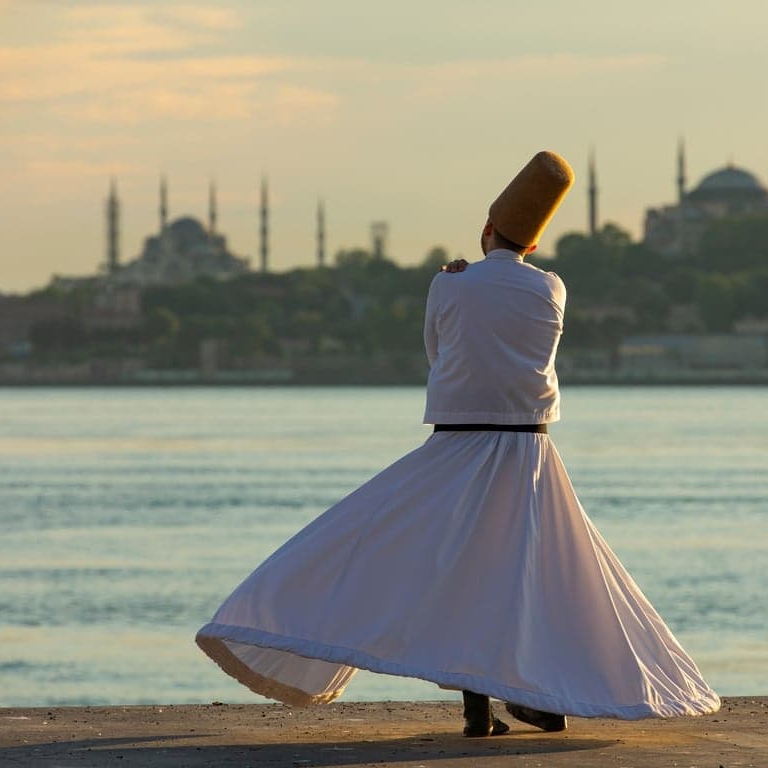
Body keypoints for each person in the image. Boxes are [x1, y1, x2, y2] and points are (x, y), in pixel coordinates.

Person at [195, 151, 720, 738]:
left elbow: (438, 355)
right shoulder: (551, 289)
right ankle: (531, 696)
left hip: (458, 445)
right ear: (535, 244)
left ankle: (486, 707)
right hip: (528, 454)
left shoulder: (449, 285)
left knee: (436, 566)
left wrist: (458, 280)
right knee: (518, 575)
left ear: (487, 228)